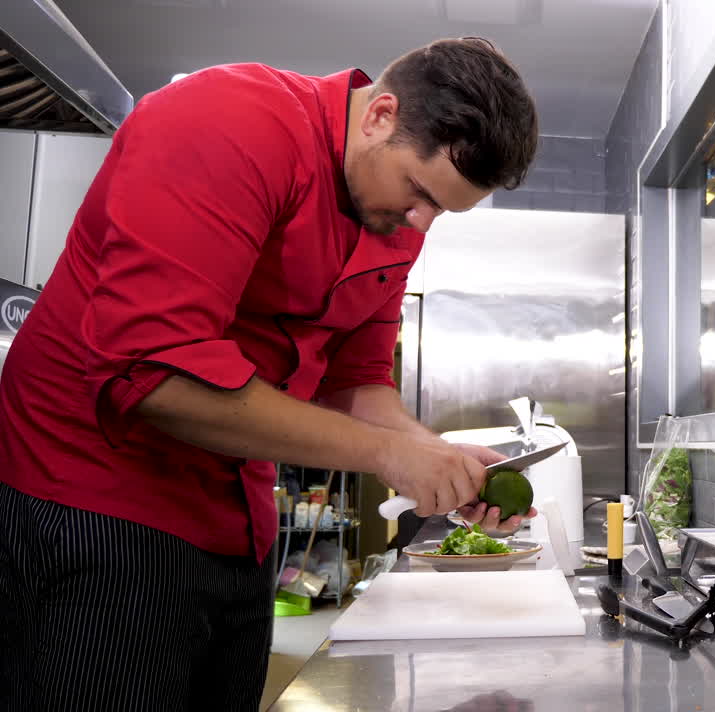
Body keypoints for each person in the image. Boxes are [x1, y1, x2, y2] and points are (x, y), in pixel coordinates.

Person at [0, 38, 539, 711]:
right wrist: (387, 452)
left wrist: (434, 455)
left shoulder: (392, 215)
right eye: (419, 193)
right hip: (98, 493)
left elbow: (357, 382)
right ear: (381, 115)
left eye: (443, 212)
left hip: (238, 515)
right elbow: (154, 374)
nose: (420, 224)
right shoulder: (228, 122)